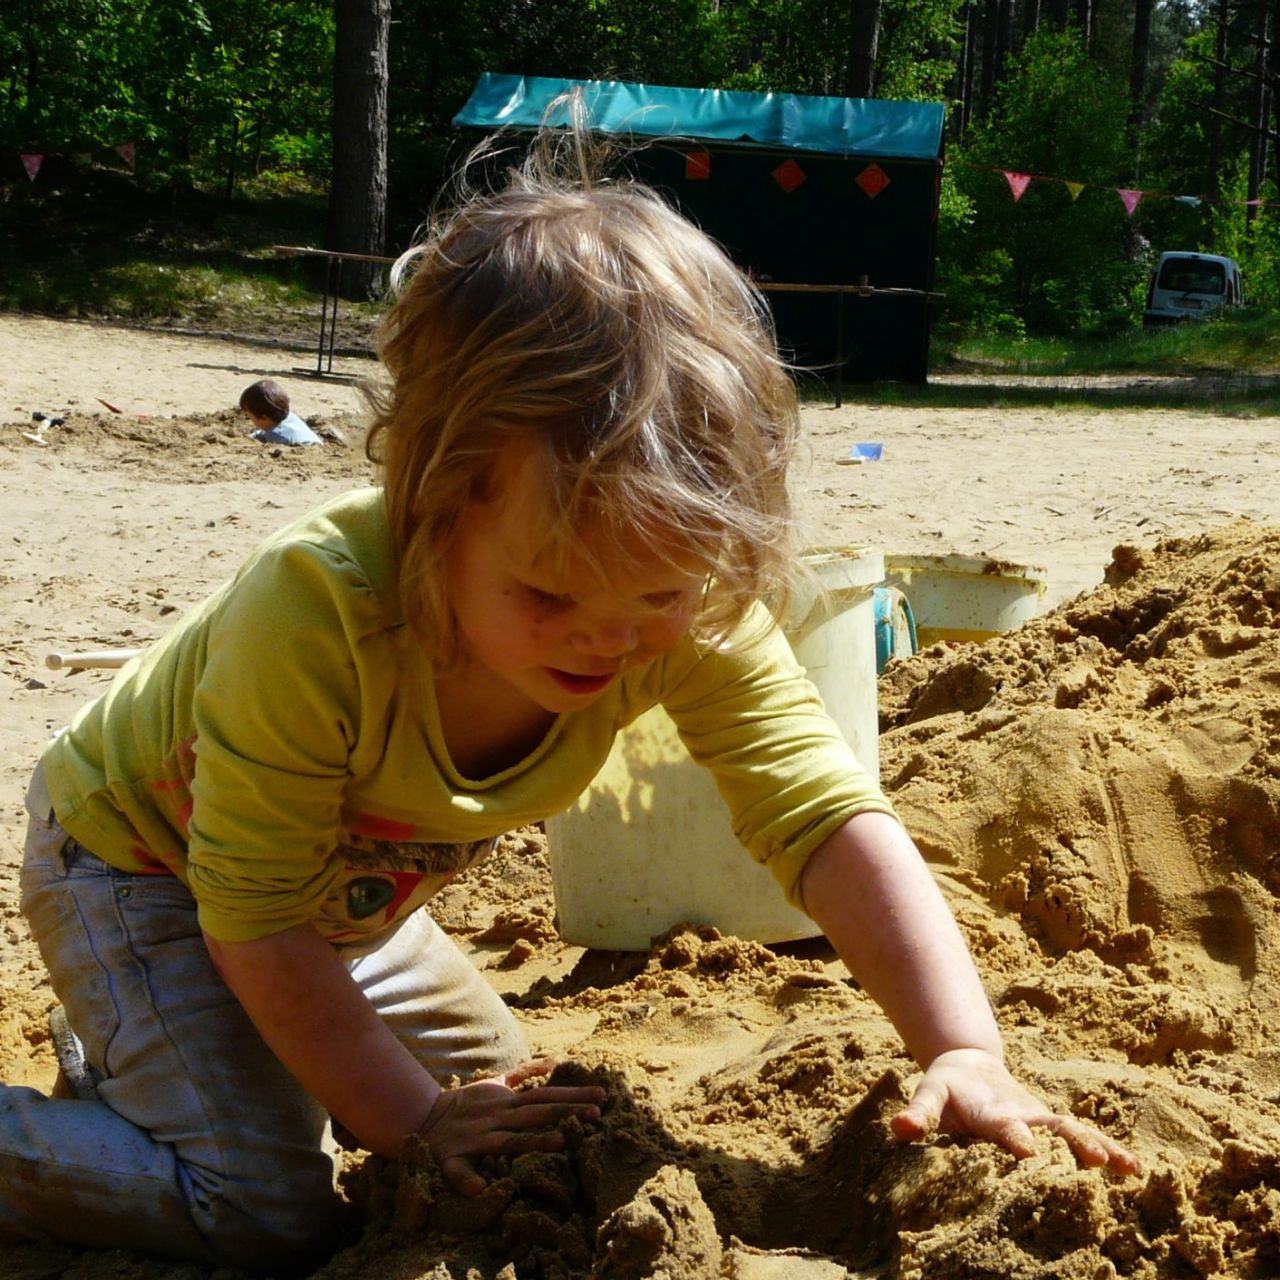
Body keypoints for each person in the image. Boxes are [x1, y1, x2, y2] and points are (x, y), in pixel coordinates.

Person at [1, 127, 1138, 1273]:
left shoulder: (679, 605)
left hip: (340, 905)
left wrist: (963, 1047)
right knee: (265, 1205)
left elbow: (825, 816)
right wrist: (412, 1122)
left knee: (513, 1092)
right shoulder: (316, 614)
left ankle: (143, 1047)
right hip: (141, 868)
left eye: (657, 591)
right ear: (431, 507)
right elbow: (248, 918)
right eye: (547, 592)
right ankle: (118, 1055)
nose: (607, 636)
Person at [240, 377, 323, 446]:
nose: (248, 418)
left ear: (264, 418)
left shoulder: (276, 436)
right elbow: (262, 433)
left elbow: (268, 436)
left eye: (249, 415)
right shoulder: (291, 417)